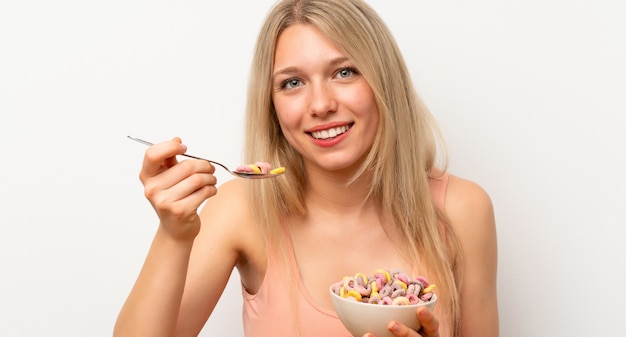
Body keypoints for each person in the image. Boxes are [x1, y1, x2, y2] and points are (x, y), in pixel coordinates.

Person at [113, 0, 499, 336]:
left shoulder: (462, 210)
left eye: (344, 72)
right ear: (273, 106)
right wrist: (173, 235)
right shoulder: (242, 210)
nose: (320, 105)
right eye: (293, 82)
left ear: (385, 81)